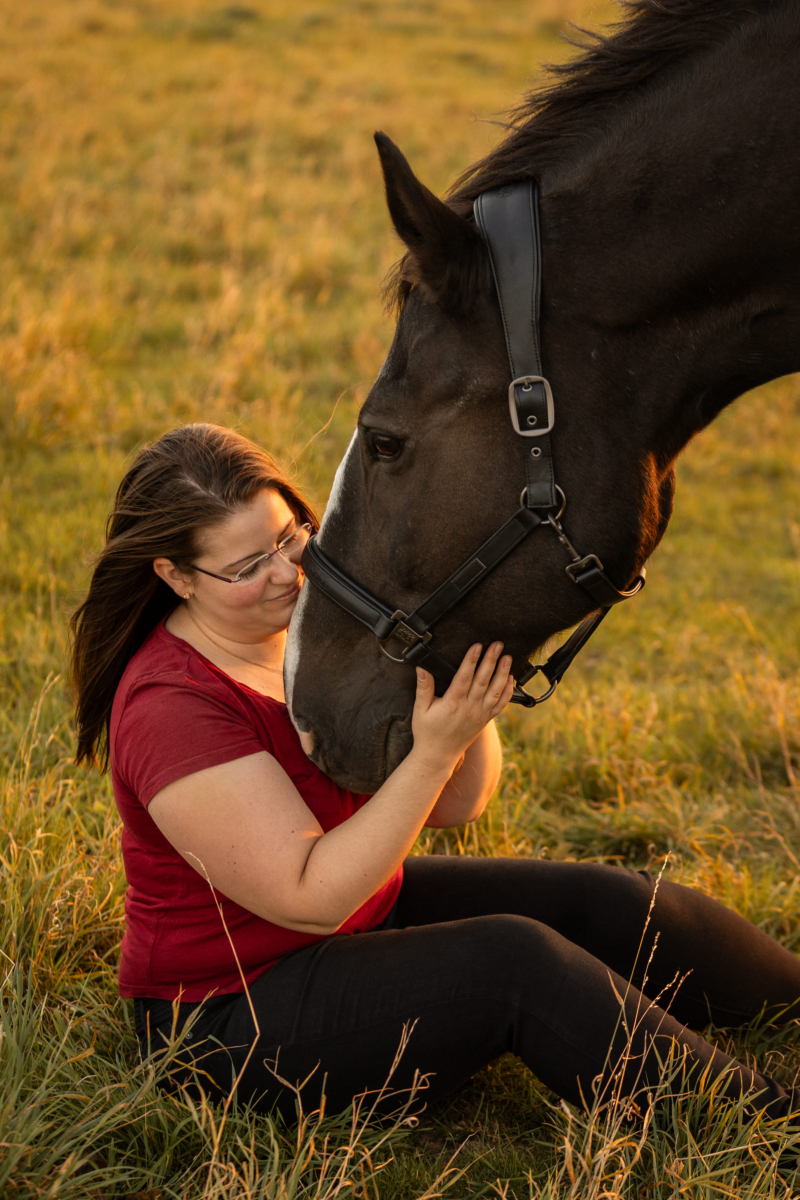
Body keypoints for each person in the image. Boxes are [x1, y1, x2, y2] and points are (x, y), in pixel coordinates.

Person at [71, 422, 800, 1124]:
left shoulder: (317, 629)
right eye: (244, 567)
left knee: (601, 901)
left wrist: (453, 678)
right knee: (514, 963)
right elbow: (309, 898)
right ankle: (770, 1120)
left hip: (359, 916)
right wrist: (433, 750)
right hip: (230, 1018)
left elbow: (458, 803)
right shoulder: (172, 704)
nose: (286, 573)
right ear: (175, 575)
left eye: (291, 536)